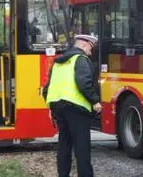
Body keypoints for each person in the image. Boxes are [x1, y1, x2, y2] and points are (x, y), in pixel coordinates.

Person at [42, 34, 102, 177]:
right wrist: (95, 101)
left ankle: (63, 174)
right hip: (77, 108)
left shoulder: (58, 62)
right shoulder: (80, 59)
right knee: (82, 147)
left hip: (59, 108)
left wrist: (52, 107)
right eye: (90, 48)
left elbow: (47, 89)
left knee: (64, 144)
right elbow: (84, 82)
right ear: (84, 45)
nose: (90, 52)